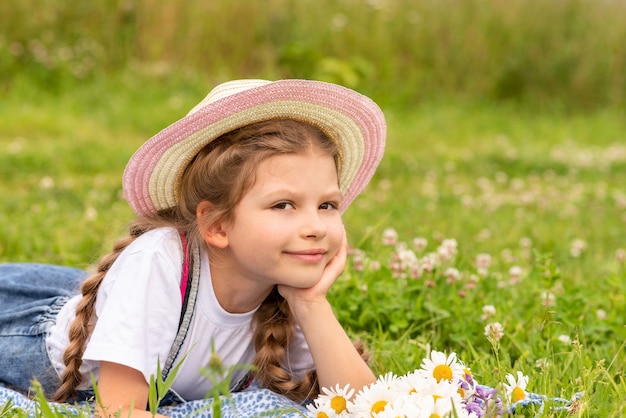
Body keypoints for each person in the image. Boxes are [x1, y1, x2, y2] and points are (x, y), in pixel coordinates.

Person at [0, 79, 386, 417]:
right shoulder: (159, 263)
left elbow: (365, 408)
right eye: (283, 205)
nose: (315, 227)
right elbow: (117, 411)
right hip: (20, 329)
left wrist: (311, 303)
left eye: (327, 205)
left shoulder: (280, 284)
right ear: (217, 225)